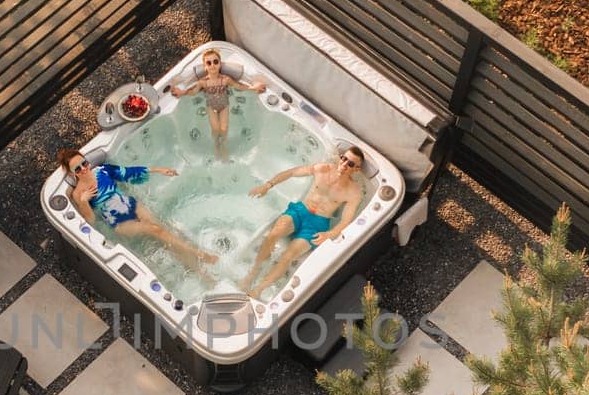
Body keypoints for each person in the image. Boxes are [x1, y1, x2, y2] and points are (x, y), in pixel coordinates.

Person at [58, 148, 216, 268]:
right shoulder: (78, 193)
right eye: (77, 169)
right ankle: (199, 254)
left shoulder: (102, 171)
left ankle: (199, 270)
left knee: (165, 235)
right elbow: (90, 221)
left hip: (132, 205)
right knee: (156, 230)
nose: (84, 169)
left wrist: (158, 170)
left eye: (84, 163)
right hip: (119, 224)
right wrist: (85, 202)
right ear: (72, 173)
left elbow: (128, 172)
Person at [241, 145, 366, 297]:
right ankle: (253, 273)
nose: (344, 164)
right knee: (273, 235)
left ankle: (258, 289)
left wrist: (329, 234)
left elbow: (346, 220)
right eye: (344, 158)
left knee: (288, 256)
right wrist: (268, 185)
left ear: (357, 169)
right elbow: (292, 172)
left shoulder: (353, 192)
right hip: (300, 211)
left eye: (350, 164)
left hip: (317, 225)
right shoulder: (323, 169)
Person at [169, 48, 266, 162]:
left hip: (224, 106)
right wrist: (182, 93)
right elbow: (194, 92)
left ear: (220, 64)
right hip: (211, 107)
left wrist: (254, 88)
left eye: (215, 62)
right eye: (208, 63)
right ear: (205, 66)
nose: (212, 65)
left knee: (224, 128)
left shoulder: (226, 80)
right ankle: (216, 145)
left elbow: (240, 87)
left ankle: (223, 145)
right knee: (215, 129)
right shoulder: (203, 82)